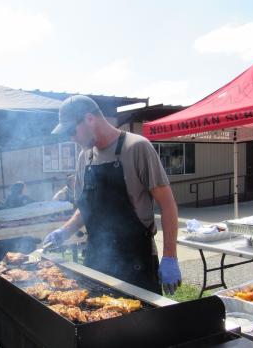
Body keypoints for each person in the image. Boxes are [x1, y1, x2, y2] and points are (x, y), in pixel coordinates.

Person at [44, 95, 181, 295]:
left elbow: (168, 205)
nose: (71, 138)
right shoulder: (85, 158)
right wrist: (64, 231)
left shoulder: (136, 147)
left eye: (71, 131)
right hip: (97, 260)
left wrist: (170, 256)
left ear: (89, 119)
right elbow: (86, 209)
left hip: (136, 261)